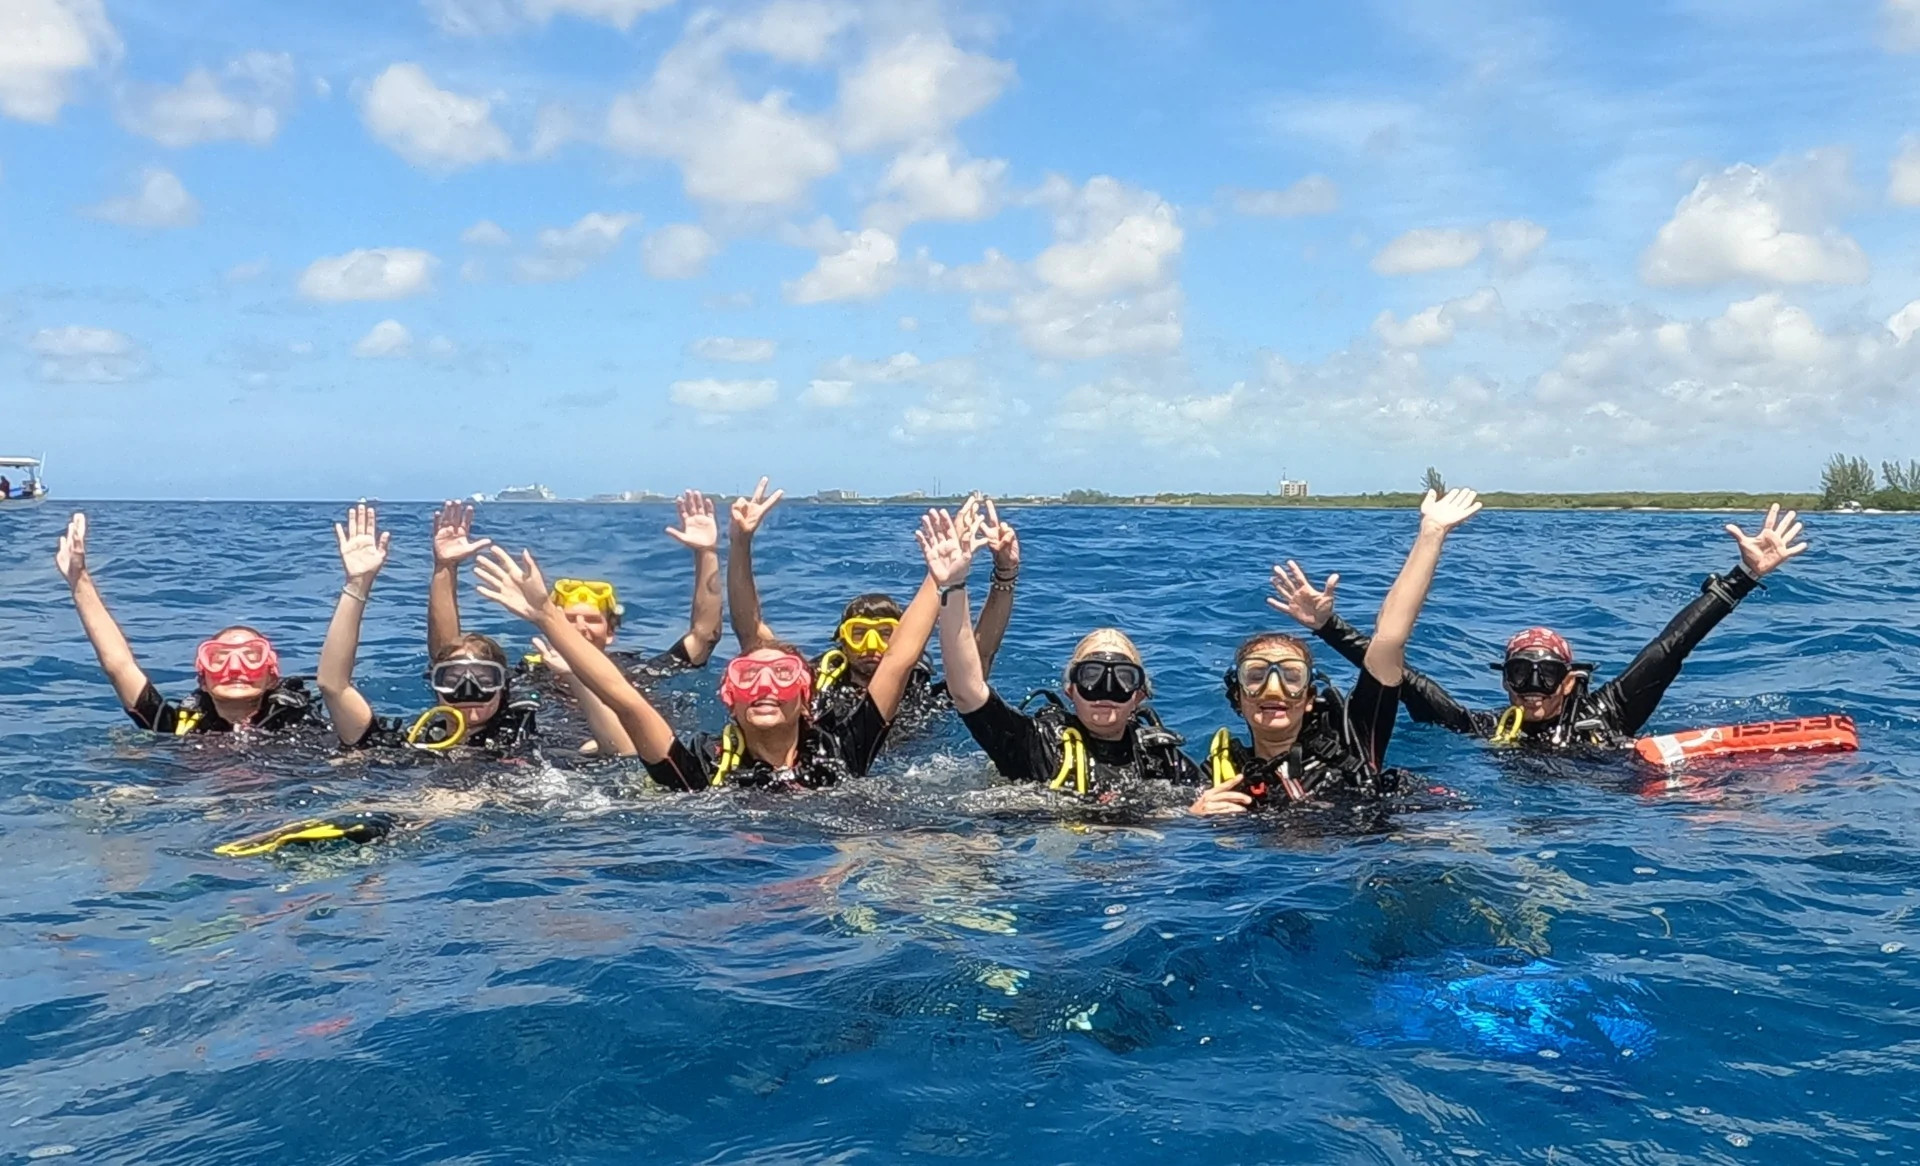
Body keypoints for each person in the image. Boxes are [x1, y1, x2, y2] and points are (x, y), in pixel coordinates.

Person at [470, 509, 951, 790]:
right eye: (748, 677)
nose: (764, 687)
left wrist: (941, 577)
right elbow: (624, 697)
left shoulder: (841, 749)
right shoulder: (699, 765)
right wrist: (546, 616)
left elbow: (901, 659)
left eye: (782, 675)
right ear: (729, 698)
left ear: (806, 699)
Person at [1276, 503, 1811, 750]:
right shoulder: (1481, 730)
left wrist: (1742, 576)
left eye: (1546, 675)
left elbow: (1671, 647)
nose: (1532, 689)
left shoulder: (1611, 711)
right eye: (1520, 675)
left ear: (1571, 678)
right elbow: (1404, 680)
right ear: (1504, 680)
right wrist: (1327, 627)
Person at [1190, 488, 1483, 815]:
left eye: (1291, 675)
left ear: (1310, 697)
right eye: (1256, 675)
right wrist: (1194, 817)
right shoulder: (1217, 780)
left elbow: (1388, 641)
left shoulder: (1352, 741)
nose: (1274, 688)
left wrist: (1432, 533)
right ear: (1238, 697)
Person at [425, 493, 723, 754]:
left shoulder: (641, 672)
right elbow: (450, 659)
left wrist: (706, 553)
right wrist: (445, 568)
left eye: (592, 620)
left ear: (611, 633)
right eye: (569, 620)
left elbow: (704, 635)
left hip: (622, 758)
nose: (580, 627)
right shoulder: (527, 676)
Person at [934, 514, 1201, 801]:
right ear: (1070, 689)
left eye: (1123, 678)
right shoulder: (1040, 745)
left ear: (1139, 695)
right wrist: (954, 585)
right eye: (1091, 675)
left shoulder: (1163, 762)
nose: (1104, 689)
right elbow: (965, 690)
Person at [725, 478, 1019, 734]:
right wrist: (740, 543)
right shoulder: (814, 688)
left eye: (886, 634)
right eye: (859, 633)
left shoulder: (922, 699)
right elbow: (752, 636)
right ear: (841, 639)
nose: (871, 645)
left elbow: (979, 654)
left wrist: (1004, 576)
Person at [53, 512, 320, 734]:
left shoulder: (299, 727)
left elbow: (337, 687)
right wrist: (80, 581)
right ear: (202, 680)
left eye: (252, 656)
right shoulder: (179, 726)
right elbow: (119, 666)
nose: (235, 668)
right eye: (218, 657)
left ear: (273, 677)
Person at [317, 503, 542, 755]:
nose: (469, 690)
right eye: (453, 679)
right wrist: (357, 584)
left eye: (485, 679)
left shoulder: (521, 744)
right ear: (435, 684)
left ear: (503, 687)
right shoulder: (407, 747)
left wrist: (548, 618)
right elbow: (332, 685)